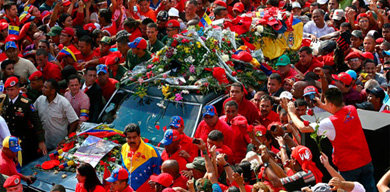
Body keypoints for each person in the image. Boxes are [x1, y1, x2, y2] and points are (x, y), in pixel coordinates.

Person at [287, 88, 375, 191]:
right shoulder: (352, 109)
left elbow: (303, 128)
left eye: (326, 102)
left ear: (331, 104)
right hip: (365, 161)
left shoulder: (330, 122)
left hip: (348, 168)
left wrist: (292, 113)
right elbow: (338, 109)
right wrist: (322, 105)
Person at [1, 77, 46, 163]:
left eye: (12, 89)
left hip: (24, 140)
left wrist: (41, 141)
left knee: (25, 163)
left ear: (18, 89)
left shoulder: (26, 103)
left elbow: (36, 123)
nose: (10, 92)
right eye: (8, 90)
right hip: (9, 141)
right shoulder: (3, 101)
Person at [34, 79, 79, 150]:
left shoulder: (63, 102)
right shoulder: (40, 100)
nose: (42, 89)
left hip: (59, 144)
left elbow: (74, 121)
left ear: (52, 91)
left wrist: (66, 138)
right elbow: (33, 113)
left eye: (45, 87)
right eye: (43, 87)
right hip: (44, 143)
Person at [120, 123, 162, 191]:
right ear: (126, 138)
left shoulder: (151, 151)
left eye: (134, 137)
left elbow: (158, 174)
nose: (132, 140)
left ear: (139, 136)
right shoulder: (124, 148)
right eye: (129, 138)